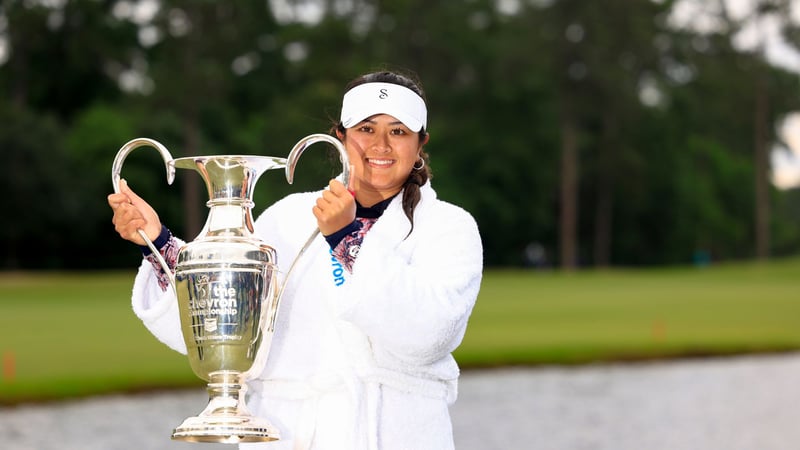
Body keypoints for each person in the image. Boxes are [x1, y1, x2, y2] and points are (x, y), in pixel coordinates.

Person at [107, 70, 483, 450]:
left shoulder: (448, 227)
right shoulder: (288, 217)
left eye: (399, 131)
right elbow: (226, 318)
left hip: (397, 433)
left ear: (421, 143)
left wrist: (344, 237)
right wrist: (156, 242)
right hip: (289, 433)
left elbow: (431, 333)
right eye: (366, 129)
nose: (381, 145)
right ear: (340, 137)